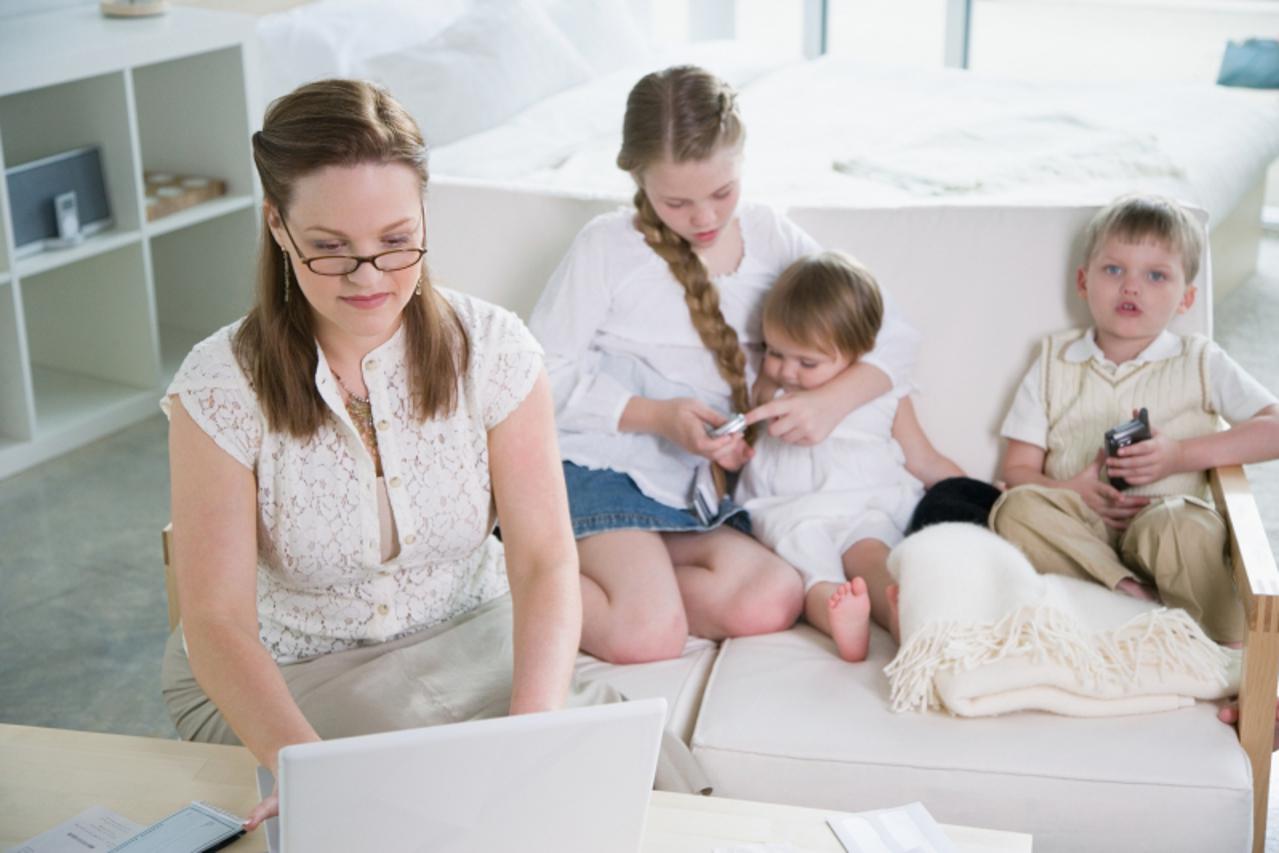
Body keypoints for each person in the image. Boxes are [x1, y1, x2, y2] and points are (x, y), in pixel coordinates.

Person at [161, 80, 597, 828]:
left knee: (601, 781)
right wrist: (304, 772)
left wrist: (533, 730)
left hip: (472, 635)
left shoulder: (493, 350)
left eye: (396, 242)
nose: (369, 279)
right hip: (292, 671)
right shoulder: (219, 384)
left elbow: (543, 561)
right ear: (278, 226)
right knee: (412, 813)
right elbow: (216, 621)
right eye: (331, 249)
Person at [528, 65, 920, 664]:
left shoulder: (769, 236)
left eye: (722, 193)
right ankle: (508, 572)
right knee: (648, 636)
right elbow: (535, 375)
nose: (704, 219)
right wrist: (656, 416)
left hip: (692, 492)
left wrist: (828, 402)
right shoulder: (608, 247)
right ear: (638, 179)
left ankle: (636, 583)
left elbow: (892, 336)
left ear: (742, 162)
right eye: (676, 202)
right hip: (600, 465)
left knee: (774, 597)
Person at [990, 194, 1279, 648]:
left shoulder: (1200, 360)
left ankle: (1234, 658)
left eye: (1155, 275)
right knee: (1013, 508)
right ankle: (1132, 596)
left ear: (1186, 298)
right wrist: (1072, 491)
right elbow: (1017, 472)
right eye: (1113, 269)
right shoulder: (1053, 361)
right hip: (1082, 535)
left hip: (1167, 525)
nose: (1131, 287)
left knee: (1187, 527)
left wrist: (1180, 455)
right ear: (1084, 282)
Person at [734, 251, 963, 662]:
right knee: (811, 569)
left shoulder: (884, 394)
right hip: (792, 514)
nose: (786, 371)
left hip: (865, 507)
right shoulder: (768, 392)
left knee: (875, 557)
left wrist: (982, 494)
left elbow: (924, 459)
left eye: (808, 362)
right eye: (775, 352)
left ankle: (900, 613)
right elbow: (744, 440)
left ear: (859, 354)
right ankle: (841, 619)